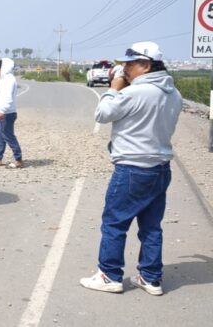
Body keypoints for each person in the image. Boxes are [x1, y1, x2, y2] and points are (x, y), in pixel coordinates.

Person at [80, 41, 182, 296]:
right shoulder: (173, 93)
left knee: (115, 223)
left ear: (145, 66)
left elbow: (102, 113)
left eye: (129, 64)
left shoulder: (136, 93)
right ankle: (150, 278)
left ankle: (110, 275)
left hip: (132, 168)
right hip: (160, 168)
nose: (124, 69)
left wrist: (114, 88)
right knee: (151, 226)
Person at [0, 58, 23, 168]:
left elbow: (7, 98)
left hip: (6, 113)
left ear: (3, 68)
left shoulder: (8, 80)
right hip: (1, 112)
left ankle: (18, 159)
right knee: (0, 136)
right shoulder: (4, 79)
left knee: (8, 136)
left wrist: (2, 111)